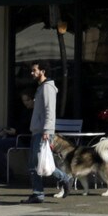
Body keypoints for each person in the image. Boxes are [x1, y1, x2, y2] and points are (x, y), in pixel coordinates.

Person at [26, 61, 73, 203]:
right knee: (35, 165)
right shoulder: (41, 88)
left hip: (42, 132)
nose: (32, 73)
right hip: (37, 131)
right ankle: (38, 193)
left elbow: (49, 111)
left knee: (41, 164)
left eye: (34, 70)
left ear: (43, 71)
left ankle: (64, 178)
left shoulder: (47, 88)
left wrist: (47, 130)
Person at [0, 92, 32, 183]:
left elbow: (30, 130)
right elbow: (19, 125)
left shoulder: (35, 113)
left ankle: (6, 174)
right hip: (15, 135)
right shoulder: (24, 111)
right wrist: (9, 131)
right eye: (24, 101)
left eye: (28, 100)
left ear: (33, 99)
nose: (26, 103)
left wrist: (16, 132)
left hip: (24, 138)